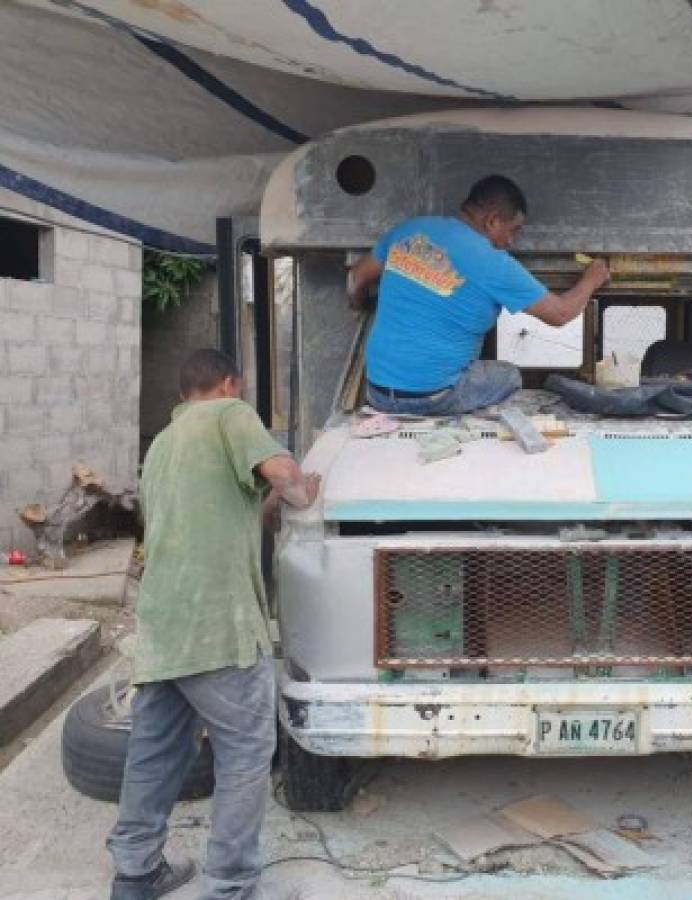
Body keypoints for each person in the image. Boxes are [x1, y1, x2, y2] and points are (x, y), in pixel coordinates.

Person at [107, 349, 320, 900]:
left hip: (162, 627)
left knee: (154, 754)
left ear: (183, 393)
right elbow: (284, 476)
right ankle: (230, 886)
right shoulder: (230, 414)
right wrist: (303, 490)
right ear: (231, 383)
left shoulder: (161, 446)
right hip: (218, 625)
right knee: (247, 753)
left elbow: (224, 514)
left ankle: (134, 875)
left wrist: (270, 501)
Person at [347, 174, 610, 415]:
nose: (511, 241)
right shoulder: (494, 263)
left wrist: (362, 305)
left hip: (377, 392)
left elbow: (355, 278)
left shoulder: (409, 230)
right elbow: (561, 313)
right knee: (509, 375)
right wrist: (591, 279)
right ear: (492, 220)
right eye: (513, 229)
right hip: (433, 398)